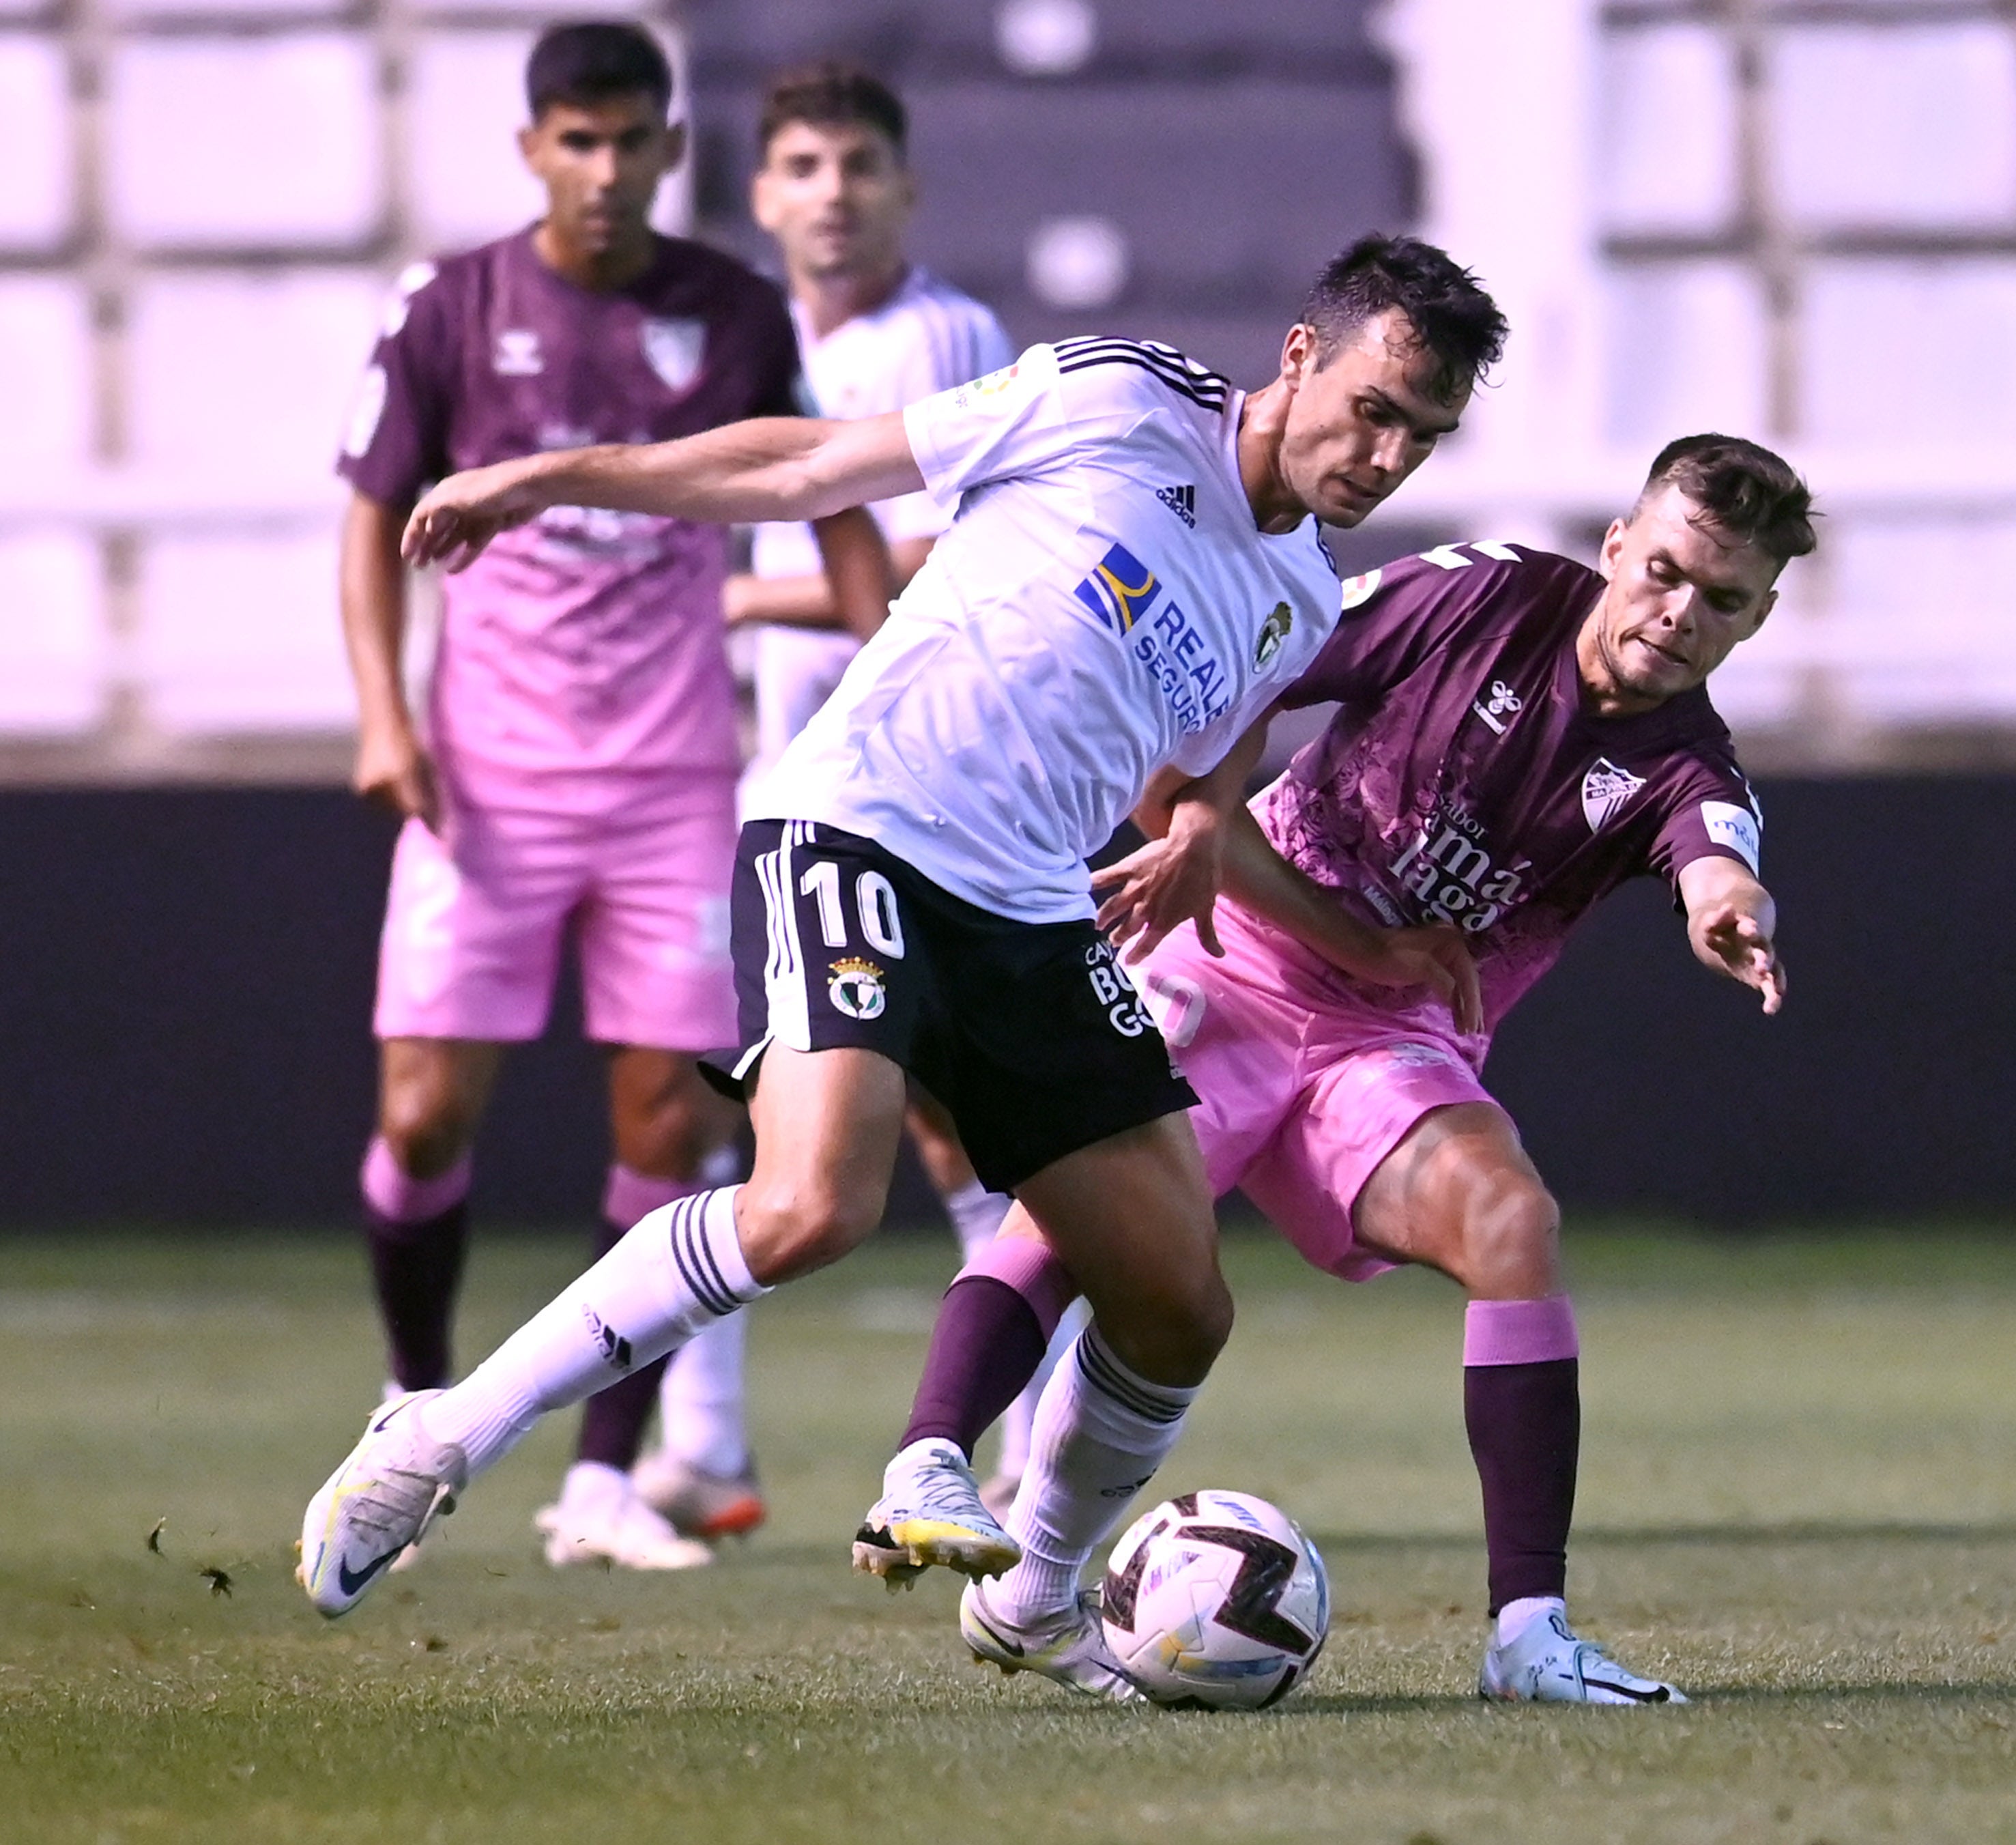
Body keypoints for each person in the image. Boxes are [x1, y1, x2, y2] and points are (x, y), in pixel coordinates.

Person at [297, 235, 1508, 1695]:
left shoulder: (1301, 594)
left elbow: (1188, 782)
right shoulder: (1117, 400)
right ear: (1302, 355)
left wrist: (1234, 852)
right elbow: (809, 466)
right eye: (1374, 408)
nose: (1385, 455)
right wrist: (546, 475)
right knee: (812, 1202)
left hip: (1031, 908)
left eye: (1422, 437)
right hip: (858, 824)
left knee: (1180, 1299)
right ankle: (441, 1433)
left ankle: (1035, 1599)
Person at [888, 433, 1811, 1703]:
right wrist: (1211, 821)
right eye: (1664, 571)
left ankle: (1528, 1638)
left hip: (1386, 1045)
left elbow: (1717, 852)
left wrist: (1727, 908)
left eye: (1722, 601)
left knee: (1512, 1218)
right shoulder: (1478, 593)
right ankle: (933, 1466)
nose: (1677, 614)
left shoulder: (1686, 763)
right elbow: (1254, 674)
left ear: (1759, 618)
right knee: (1075, 1225)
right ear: (1616, 546)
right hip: (1227, 954)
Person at [334, 20, 889, 1571]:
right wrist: (384, 714)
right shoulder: (454, 308)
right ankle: (407, 1399)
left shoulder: (731, 314)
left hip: (669, 788)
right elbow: (368, 520)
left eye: (627, 140)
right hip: (485, 788)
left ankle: (599, 1472)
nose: (600, 168)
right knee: (422, 1110)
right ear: (533, 150)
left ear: (665, 149)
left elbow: (818, 490)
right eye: (571, 141)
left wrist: (904, 664)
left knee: (662, 1115)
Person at [640, 63, 1048, 1539]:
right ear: (759, 193)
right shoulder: (746, 336)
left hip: (913, 777)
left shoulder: (940, 336)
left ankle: (1030, 1429)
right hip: (771, 777)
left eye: (858, 163)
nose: (830, 191)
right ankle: (706, 1448)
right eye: (801, 164)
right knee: (723, 1098)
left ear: (905, 187)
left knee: (945, 1119)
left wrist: (740, 593)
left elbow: (948, 561)